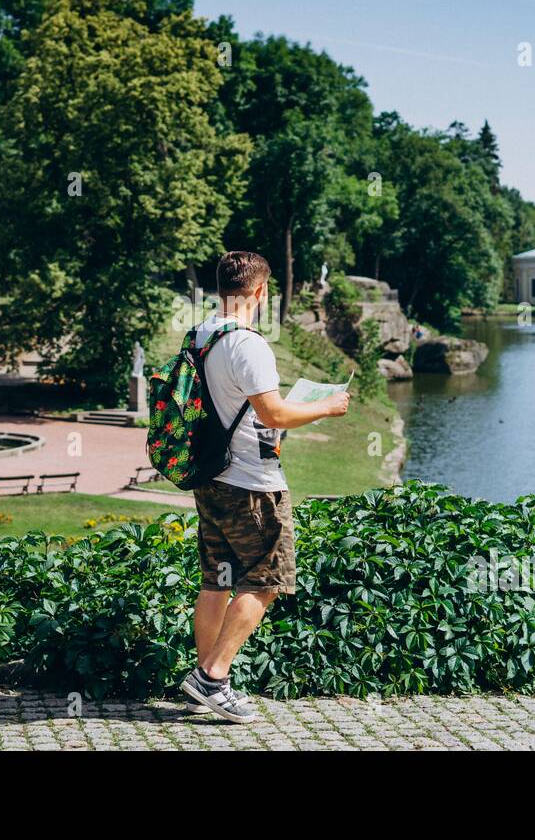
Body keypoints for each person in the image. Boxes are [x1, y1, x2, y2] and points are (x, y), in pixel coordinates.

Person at [180, 251, 350, 722]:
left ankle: (206, 677)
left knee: (218, 580)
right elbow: (274, 414)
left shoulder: (201, 334)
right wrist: (328, 406)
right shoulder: (250, 344)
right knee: (267, 580)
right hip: (252, 484)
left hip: (211, 476)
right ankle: (212, 677)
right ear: (259, 292)